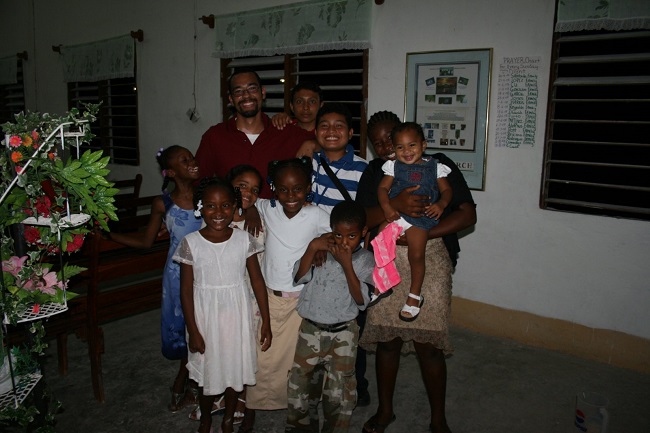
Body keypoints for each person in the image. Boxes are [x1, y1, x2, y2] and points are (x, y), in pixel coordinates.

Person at [357, 111, 477, 433]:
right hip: (386, 257)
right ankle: (385, 412)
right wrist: (395, 202)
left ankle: (438, 418)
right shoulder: (376, 171)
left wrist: (421, 233)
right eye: (380, 142)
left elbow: (467, 214)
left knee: (430, 345)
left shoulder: (436, 164)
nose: (385, 147)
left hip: (432, 254)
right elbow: (362, 219)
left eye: (390, 139)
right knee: (387, 340)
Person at [107, 145, 202, 412]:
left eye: (192, 157)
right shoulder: (163, 203)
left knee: (203, 329)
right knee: (184, 333)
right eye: (185, 160)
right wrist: (111, 236)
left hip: (207, 273)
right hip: (177, 276)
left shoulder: (207, 195)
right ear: (171, 172)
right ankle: (186, 384)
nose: (193, 161)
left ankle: (185, 385)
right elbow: (147, 241)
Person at [240, 158, 331, 433]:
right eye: (283, 189)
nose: (291, 196)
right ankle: (253, 407)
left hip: (305, 298)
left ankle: (300, 407)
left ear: (308, 187)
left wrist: (320, 247)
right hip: (274, 297)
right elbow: (245, 201)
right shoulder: (267, 207)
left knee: (300, 359)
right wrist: (253, 210)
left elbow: (336, 233)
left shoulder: (316, 214)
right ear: (273, 189)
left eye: (298, 189)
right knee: (265, 356)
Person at [175, 177, 272, 433]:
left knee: (234, 372)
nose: (218, 212)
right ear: (200, 207)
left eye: (226, 205)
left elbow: (258, 282)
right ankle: (206, 417)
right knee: (209, 373)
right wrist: (193, 331)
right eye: (210, 206)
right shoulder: (191, 243)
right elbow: (185, 291)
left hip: (236, 317)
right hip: (205, 319)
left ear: (235, 207)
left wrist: (266, 321)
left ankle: (228, 419)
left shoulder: (243, 240)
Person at [285, 201, 375, 433]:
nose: (344, 241)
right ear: (331, 229)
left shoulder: (365, 260)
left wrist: (347, 265)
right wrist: (313, 248)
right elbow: (298, 277)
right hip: (311, 330)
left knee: (340, 392)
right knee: (301, 388)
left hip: (343, 333)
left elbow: (361, 301)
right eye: (338, 234)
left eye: (352, 235)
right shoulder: (321, 249)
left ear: (363, 232)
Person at [372, 122, 453, 322]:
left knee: (416, 254)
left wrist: (441, 204)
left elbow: (447, 191)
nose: (406, 151)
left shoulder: (435, 167)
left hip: (420, 216)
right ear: (394, 149)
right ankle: (382, 283)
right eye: (400, 147)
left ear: (423, 145)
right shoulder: (393, 167)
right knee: (380, 242)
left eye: (412, 145)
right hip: (397, 214)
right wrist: (388, 208)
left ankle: (415, 295)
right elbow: (382, 189)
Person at [195, 68, 314, 199]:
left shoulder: (285, 132)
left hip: (279, 217)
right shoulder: (215, 136)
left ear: (262, 92)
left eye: (252, 89)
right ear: (231, 99)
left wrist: (312, 143)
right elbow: (198, 182)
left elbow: (330, 143)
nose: (246, 95)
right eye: (238, 91)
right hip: (233, 217)